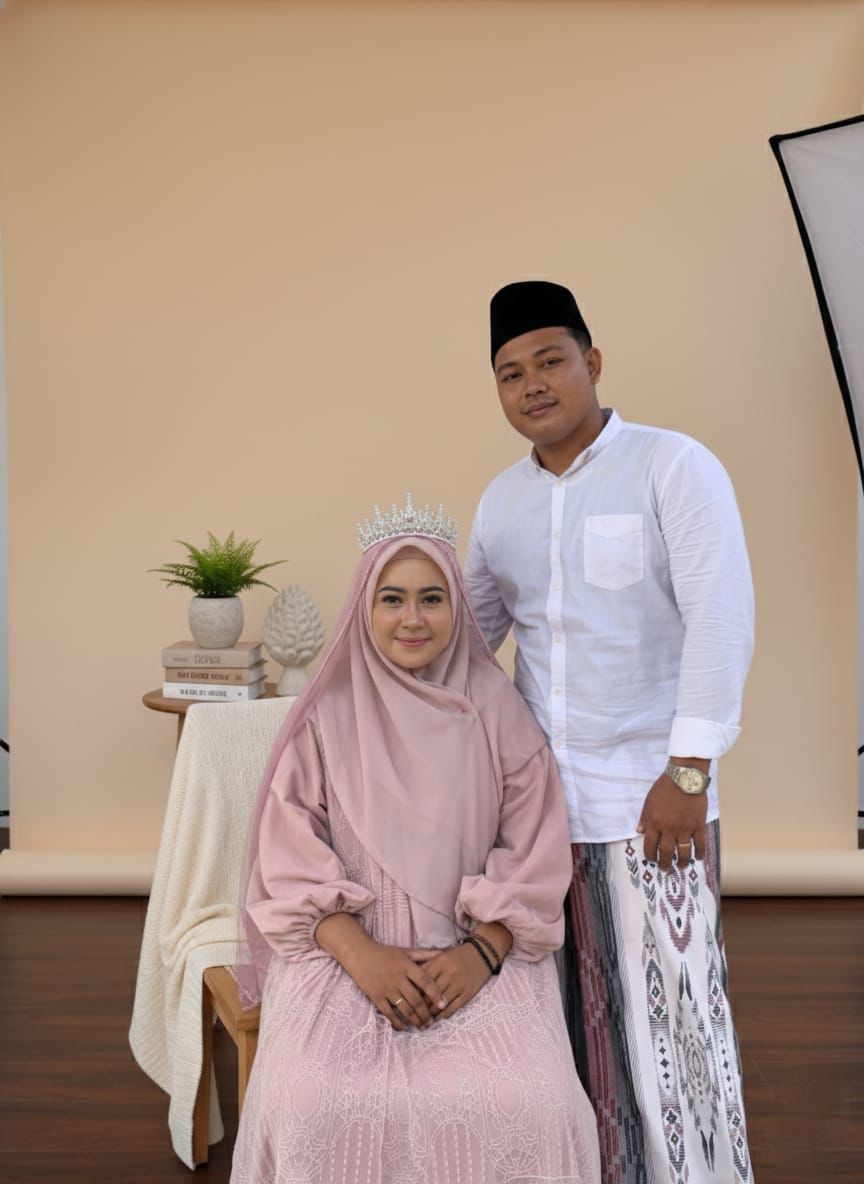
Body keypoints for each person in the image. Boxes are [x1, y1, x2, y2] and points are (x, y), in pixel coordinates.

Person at [465, 281, 755, 1184]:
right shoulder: (500, 505)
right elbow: (467, 644)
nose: (532, 384)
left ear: (591, 362)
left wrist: (689, 774)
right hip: (540, 813)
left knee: (676, 1024)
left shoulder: (672, 466)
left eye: (550, 361)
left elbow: (721, 619)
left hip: (652, 800)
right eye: (510, 373)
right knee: (569, 1027)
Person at [231, 497, 601, 1184]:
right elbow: (287, 855)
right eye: (392, 599)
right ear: (363, 609)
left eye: (431, 598)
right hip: (344, 952)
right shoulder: (326, 715)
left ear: (457, 607)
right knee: (309, 1103)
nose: (412, 618)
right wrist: (362, 955)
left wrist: (482, 953)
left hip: (482, 951)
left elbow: (535, 848)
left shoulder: (498, 710)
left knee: (540, 1105)